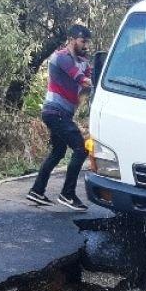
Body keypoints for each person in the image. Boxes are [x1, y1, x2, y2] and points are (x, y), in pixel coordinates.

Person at [27, 24, 94, 211]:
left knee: (58, 152)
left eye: (87, 42)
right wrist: (100, 80)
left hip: (63, 114)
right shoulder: (61, 57)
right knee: (81, 149)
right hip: (55, 112)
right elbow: (83, 80)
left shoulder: (83, 60)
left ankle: (37, 191)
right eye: (83, 41)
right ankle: (67, 194)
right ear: (72, 39)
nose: (86, 45)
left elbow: (88, 86)